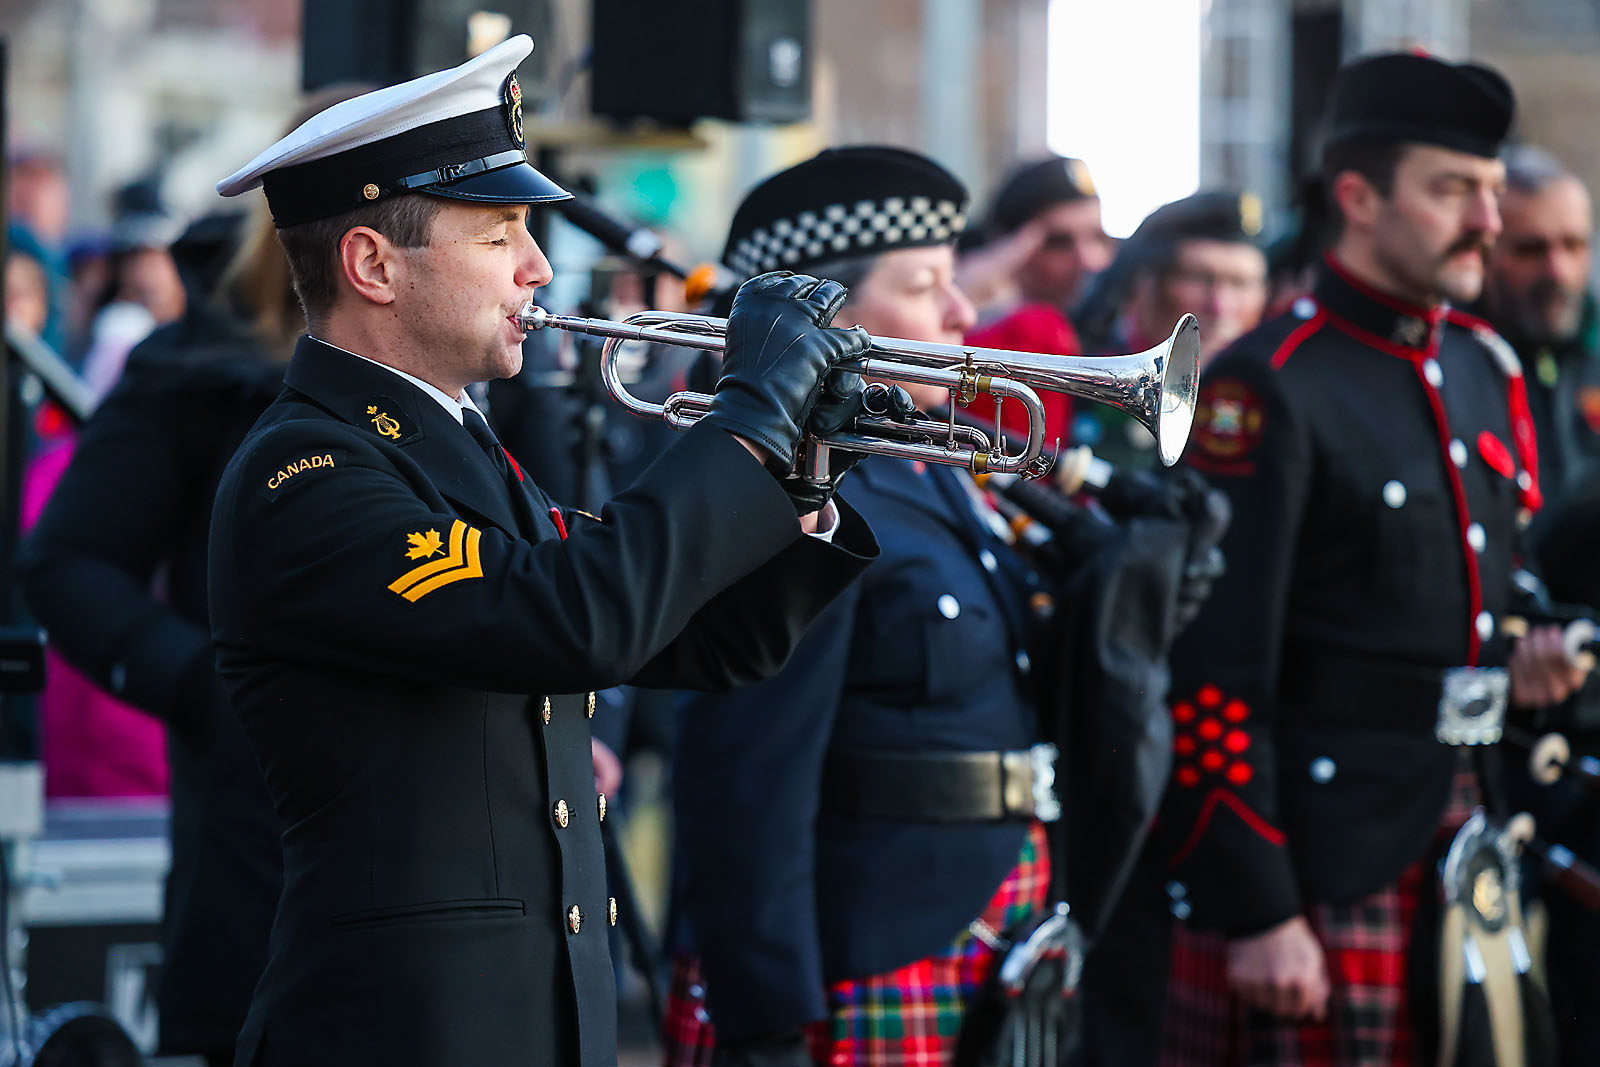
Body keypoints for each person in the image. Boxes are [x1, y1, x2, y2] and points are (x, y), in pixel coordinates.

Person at [205, 36, 877, 1067]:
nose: (539, 267)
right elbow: (580, 614)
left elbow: (709, 641)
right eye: (501, 234)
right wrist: (745, 418)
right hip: (396, 1035)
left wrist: (804, 472)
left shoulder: (461, 446)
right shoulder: (307, 474)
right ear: (373, 265)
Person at [1155, 52, 1587, 1065]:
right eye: (1453, 191)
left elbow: (1487, 578)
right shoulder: (1266, 387)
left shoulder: (1482, 366)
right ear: (1356, 196)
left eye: (1488, 190)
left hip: (1465, 826)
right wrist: (1258, 902)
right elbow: (1211, 671)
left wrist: (1529, 646)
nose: (1487, 219)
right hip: (1318, 861)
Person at [663, 145, 1061, 1067]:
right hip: (861, 949)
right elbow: (743, 770)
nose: (965, 314)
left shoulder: (936, 471)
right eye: (926, 286)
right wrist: (763, 1015)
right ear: (831, 325)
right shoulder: (798, 490)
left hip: (979, 922)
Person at [1072, 190, 1271, 467]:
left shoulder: (1275, 398)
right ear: (1145, 285)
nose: (1220, 306)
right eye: (1199, 278)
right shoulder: (1082, 381)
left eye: (1241, 283)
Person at [1477, 147, 1600, 517]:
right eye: (1531, 249)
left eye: (1573, 245)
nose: (1557, 271)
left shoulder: (1592, 351)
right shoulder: (1456, 363)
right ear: (1485, 252)